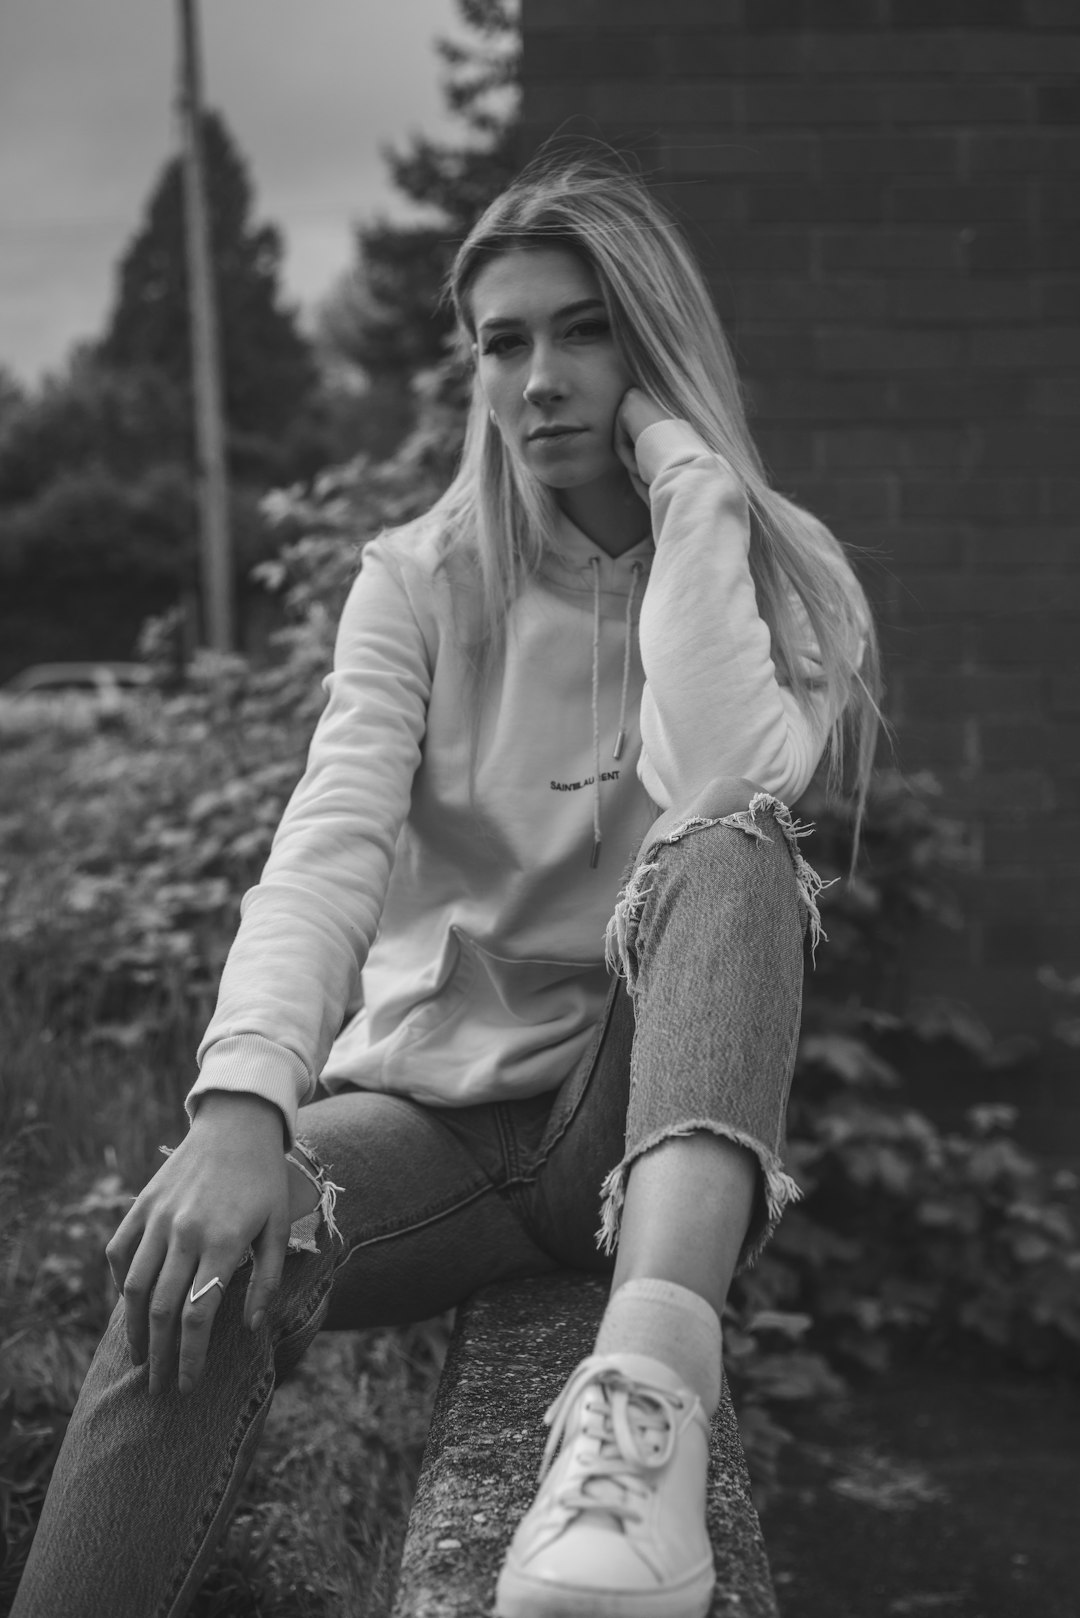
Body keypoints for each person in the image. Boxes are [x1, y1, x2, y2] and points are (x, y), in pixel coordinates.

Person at [13, 154, 880, 1618]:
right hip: (429, 1125)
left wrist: (695, 499)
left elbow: (734, 780)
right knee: (199, 1264)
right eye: (503, 341)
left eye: (584, 330)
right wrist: (242, 1108)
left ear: (657, 347)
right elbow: (329, 840)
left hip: (631, 1122)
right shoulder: (420, 581)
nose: (538, 378)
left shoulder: (788, 585)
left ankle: (645, 1417)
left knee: (734, 851)